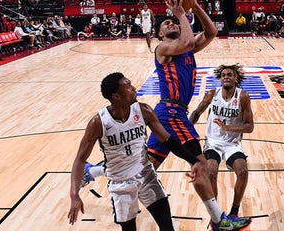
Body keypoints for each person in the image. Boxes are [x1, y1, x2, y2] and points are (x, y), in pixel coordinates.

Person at [83, 0, 251, 231]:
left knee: (146, 162)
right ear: (160, 35)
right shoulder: (164, 48)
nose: (172, 24)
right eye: (167, 24)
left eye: (174, 22)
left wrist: (195, 6)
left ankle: (92, 171)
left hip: (169, 113)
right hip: (172, 112)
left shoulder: (186, 49)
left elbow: (211, 31)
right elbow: (188, 42)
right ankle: (218, 219)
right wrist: (183, 13)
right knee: (201, 164)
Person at [68, 73, 204, 231]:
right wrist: (74, 195)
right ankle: (92, 172)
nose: (134, 88)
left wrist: (194, 160)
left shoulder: (144, 111)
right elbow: (79, 159)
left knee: (167, 227)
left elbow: (167, 140)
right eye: (128, 86)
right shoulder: (98, 122)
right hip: (120, 183)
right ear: (116, 96)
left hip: (146, 175)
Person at [189, 64, 254, 218]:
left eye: (229, 75)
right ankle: (217, 215)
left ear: (235, 78)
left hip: (231, 144)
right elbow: (196, 113)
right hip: (213, 142)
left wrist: (228, 128)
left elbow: (249, 127)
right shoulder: (213, 94)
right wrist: (187, 130)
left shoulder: (242, 96)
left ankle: (234, 212)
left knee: (243, 172)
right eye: (223, 75)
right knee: (211, 171)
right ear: (220, 79)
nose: (226, 77)